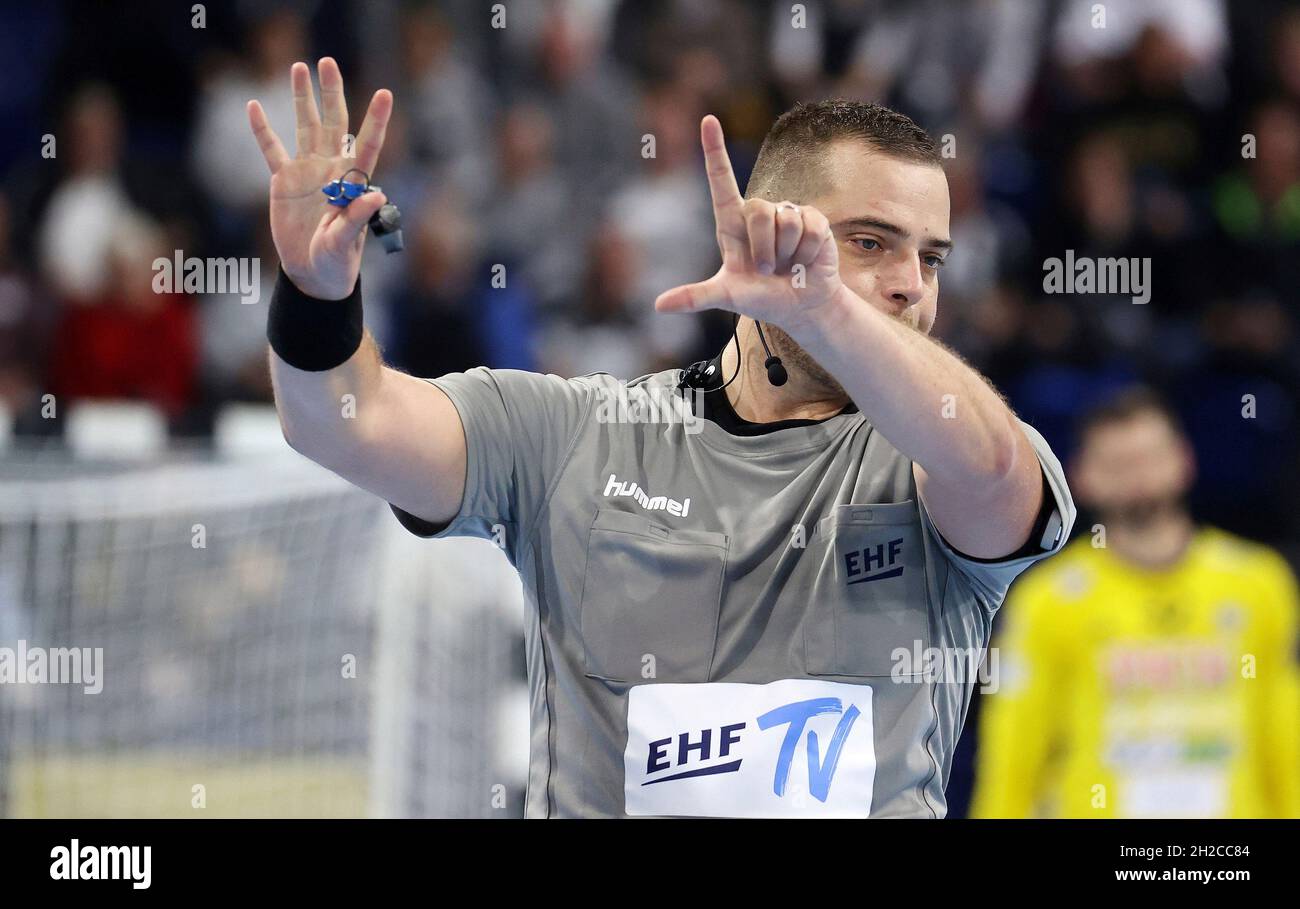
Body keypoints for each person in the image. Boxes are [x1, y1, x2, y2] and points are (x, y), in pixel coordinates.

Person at [248, 58, 1076, 817]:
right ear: (764, 232)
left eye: (930, 259)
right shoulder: (573, 433)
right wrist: (317, 295)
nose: (909, 285)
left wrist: (827, 308)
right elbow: (346, 424)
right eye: (867, 243)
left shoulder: (934, 465)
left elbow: (996, 468)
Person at [971, 387, 1300, 818]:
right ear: (1082, 476)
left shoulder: (1258, 581)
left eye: (1149, 457)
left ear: (1185, 460)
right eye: (1117, 464)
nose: (1137, 476)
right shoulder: (1048, 600)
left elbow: (1285, 736)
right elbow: (1011, 756)